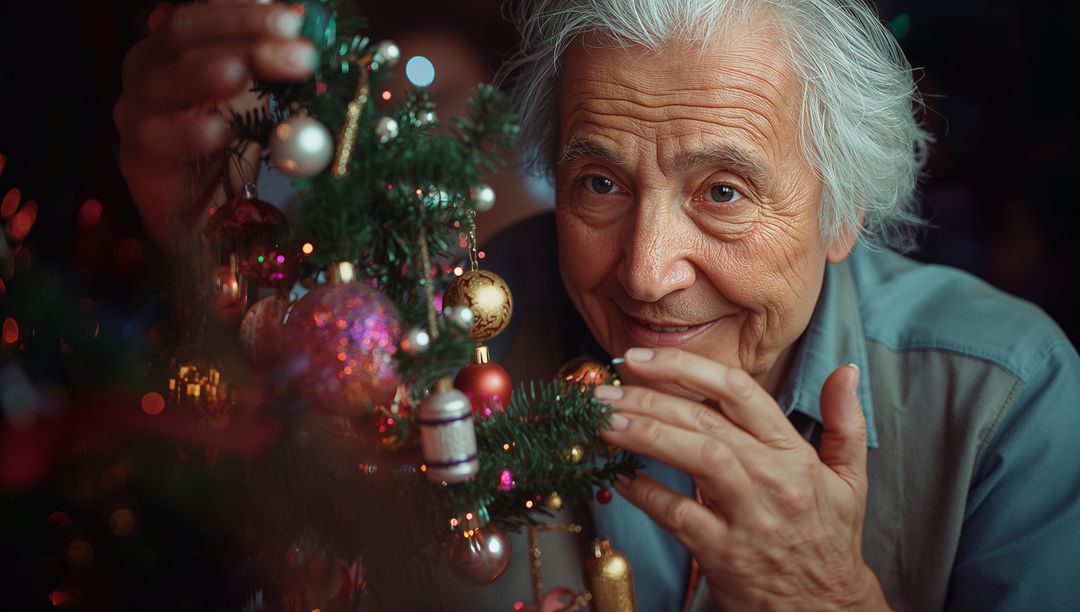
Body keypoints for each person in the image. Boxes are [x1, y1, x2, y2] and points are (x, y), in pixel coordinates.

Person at [116, 0, 1080, 610]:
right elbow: (259, 495)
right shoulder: (443, 338)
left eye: (724, 192)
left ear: (842, 209)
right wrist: (203, 240)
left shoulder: (1008, 398)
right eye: (600, 184)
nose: (648, 272)